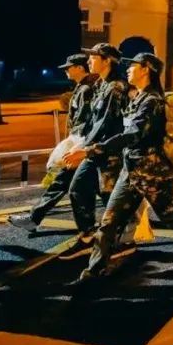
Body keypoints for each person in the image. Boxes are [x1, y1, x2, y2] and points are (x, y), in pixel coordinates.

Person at [75, 53, 173, 282]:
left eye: (133, 66)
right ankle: (94, 271)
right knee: (110, 221)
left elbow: (133, 134)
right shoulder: (137, 98)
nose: (128, 70)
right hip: (130, 170)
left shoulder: (152, 101)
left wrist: (92, 150)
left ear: (146, 70)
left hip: (152, 172)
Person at [9, 53, 98, 233]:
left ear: (80, 68)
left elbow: (85, 122)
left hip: (83, 146)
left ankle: (109, 225)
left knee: (78, 186)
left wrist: (77, 145)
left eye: (68, 67)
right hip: (82, 146)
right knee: (67, 184)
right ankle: (35, 219)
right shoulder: (82, 88)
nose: (66, 70)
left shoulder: (86, 90)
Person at [58, 43, 129, 260]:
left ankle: (122, 241)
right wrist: (79, 145)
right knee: (78, 189)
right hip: (93, 150)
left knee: (111, 199)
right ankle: (88, 237)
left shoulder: (116, 87)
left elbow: (106, 124)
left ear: (107, 60)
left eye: (93, 57)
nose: (89, 61)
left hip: (110, 152)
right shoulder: (101, 84)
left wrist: (84, 149)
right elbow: (92, 121)